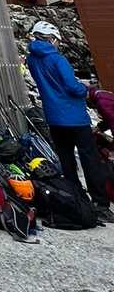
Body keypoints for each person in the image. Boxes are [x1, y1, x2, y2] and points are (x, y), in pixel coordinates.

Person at [27, 19, 111, 222]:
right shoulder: (58, 59)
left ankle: (77, 199)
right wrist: (85, 88)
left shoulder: (31, 60)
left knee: (67, 161)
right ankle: (100, 204)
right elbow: (73, 87)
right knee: (90, 159)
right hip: (75, 117)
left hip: (54, 117)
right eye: (56, 40)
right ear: (50, 39)